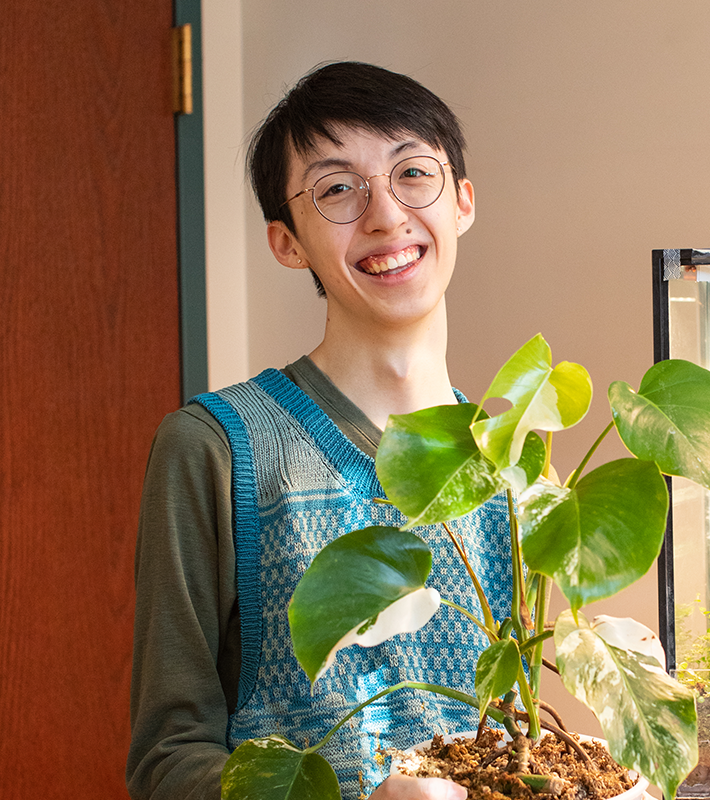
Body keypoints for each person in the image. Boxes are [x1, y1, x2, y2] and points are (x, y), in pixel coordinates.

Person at [127, 62, 512, 800]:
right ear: (287, 242)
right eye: (338, 189)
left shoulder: (516, 466)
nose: (386, 216)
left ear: (462, 201)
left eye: (413, 174)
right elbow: (165, 766)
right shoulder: (215, 447)